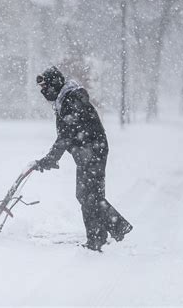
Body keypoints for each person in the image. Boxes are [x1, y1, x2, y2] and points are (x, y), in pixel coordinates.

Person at [35, 66, 133, 252]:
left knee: (87, 195)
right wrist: (52, 157)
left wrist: (51, 157)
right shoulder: (66, 98)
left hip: (92, 150)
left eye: (46, 88)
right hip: (88, 150)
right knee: (90, 195)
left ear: (55, 85)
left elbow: (67, 133)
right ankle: (98, 237)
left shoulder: (71, 99)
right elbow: (67, 133)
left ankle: (116, 227)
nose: (44, 93)